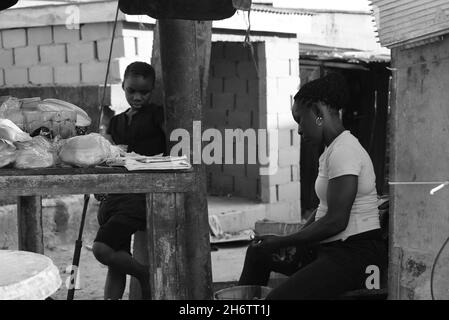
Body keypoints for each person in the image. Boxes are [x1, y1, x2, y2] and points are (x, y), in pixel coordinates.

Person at [238, 73, 387, 300]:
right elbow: (323, 208)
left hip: (355, 256)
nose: (298, 130)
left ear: (318, 112)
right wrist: (295, 239)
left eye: (300, 120)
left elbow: (337, 220)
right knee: (259, 252)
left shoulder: (344, 151)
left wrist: (285, 241)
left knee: (276, 300)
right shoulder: (331, 150)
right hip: (331, 248)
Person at [92, 61, 166, 300]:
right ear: (123, 86)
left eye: (144, 92)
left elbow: (175, 147)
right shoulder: (116, 122)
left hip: (139, 198)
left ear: (152, 90)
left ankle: (144, 275)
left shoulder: (157, 116)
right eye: (131, 90)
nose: (137, 97)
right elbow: (110, 157)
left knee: (102, 249)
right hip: (113, 197)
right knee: (116, 261)